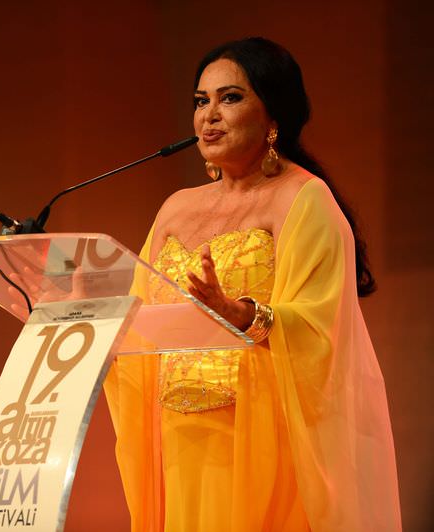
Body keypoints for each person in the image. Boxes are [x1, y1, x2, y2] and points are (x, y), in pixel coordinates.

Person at [103, 37, 402, 531]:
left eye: (230, 98)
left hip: (262, 444)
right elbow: (138, 324)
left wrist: (241, 315)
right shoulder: (175, 208)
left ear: (273, 115)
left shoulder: (303, 199)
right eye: (201, 101)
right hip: (178, 442)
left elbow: (322, 330)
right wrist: (73, 315)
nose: (209, 116)